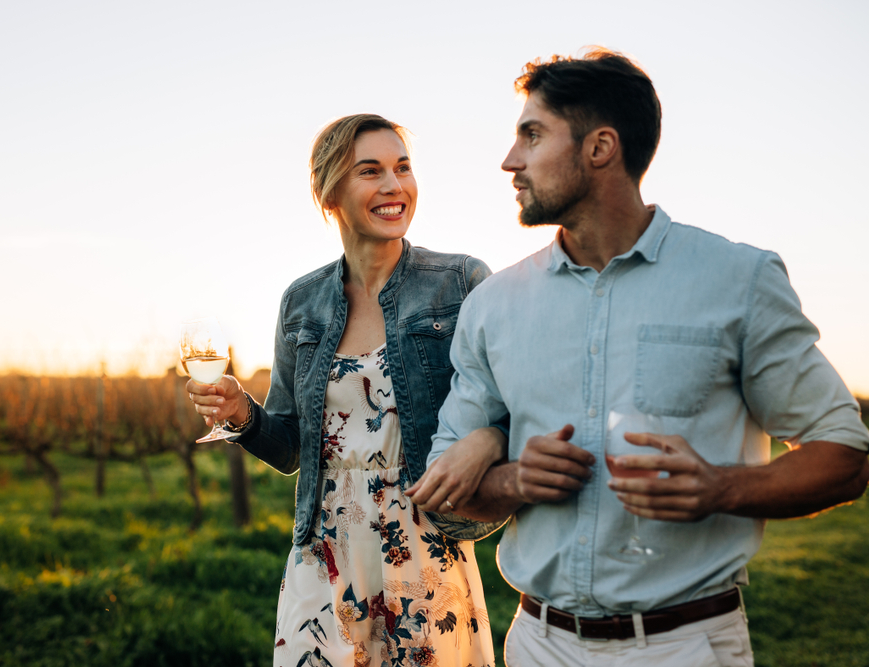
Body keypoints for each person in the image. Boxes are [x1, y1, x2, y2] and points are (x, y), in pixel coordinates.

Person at [407, 48, 869, 666]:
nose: (509, 160)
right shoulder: (493, 305)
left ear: (600, 148)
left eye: (532, 134)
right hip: (538, 645)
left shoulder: (738, 279)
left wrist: (719, 488)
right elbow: (448, 489)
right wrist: (516, 477)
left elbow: (843, 455)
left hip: (688, 647)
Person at [187, 114, 503, 667]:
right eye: (370, 171)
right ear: (328, 192)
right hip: (324, 548)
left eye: (403, 168)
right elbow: (289, 447)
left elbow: (511, 415)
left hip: (422, 541)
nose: (394, 186)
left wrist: (490, 452)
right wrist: (242, 414)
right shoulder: (301, 302)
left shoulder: (460, 284)